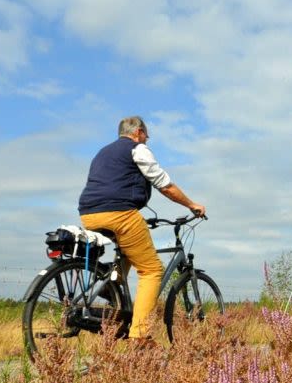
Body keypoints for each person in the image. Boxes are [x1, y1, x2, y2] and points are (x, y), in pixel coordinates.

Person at [78, 116, 206, 341]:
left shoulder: (102, 153)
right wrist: (191, 204)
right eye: (146, 135)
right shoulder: (137, 149)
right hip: (119, 213)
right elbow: (165, 185)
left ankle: (112, 285)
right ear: (138, 132)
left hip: (89, 214)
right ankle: (141, 337)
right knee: (151, 270)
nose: (147, 140)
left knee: (130, 248)